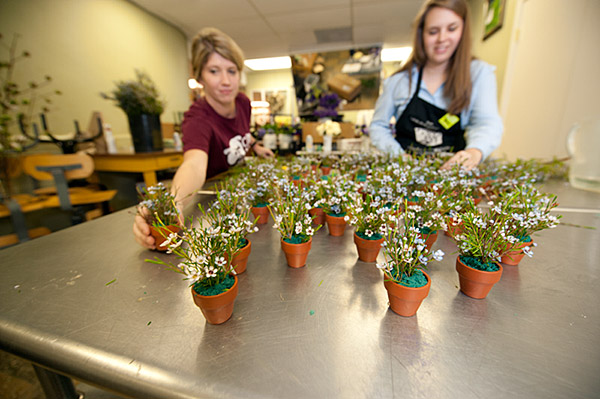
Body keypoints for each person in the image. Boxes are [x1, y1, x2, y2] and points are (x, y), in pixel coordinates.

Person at [133, 27, 274, 249]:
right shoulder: (198, 119)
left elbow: (242, 132)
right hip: (210, 201)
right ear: (200, 77)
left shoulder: (243, 103)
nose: (226, 81)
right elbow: (194, 165)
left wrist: (255, 147)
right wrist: (173, 203)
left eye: (232, 70)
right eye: (214, 71)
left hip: (239, 189)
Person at [369, 0, 503, 171]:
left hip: (452, 176)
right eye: (433, 31)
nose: (442, 38)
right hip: (406, 174)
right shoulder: (399, 81)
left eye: (452, 29)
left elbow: (486, 123)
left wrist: (474, 152)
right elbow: (378, 126)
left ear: (463, 29)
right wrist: (400, 157)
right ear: (421, 35)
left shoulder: (478, 74)